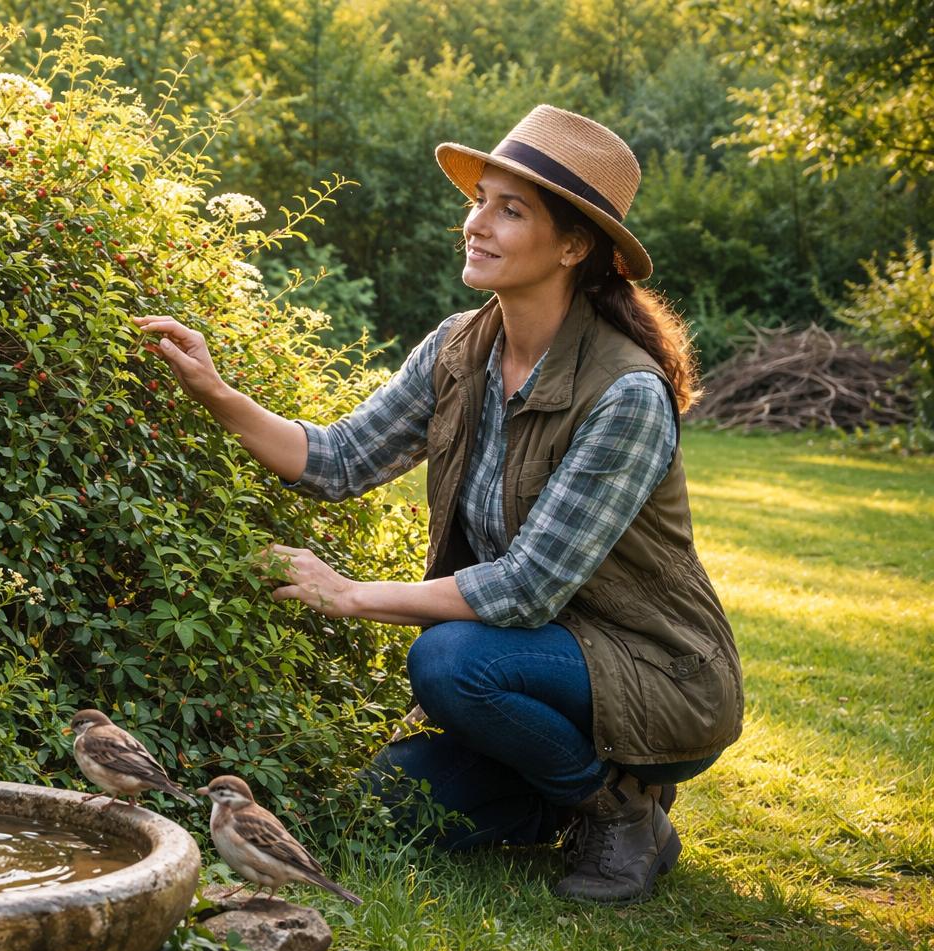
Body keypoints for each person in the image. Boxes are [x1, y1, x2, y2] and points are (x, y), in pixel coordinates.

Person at [133, 105, 743, 905]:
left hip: (653, 674)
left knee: (449, 660)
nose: (476, 223)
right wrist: (217, 394)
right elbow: (340, 459)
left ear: (572, 246)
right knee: (380, 817)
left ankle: (620, 809)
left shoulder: (624, 392)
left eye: (509, 210)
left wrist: (348, 595)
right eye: (479, 199)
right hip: (534, 664)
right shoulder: (461, 346)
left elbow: (524, 590)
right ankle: (553, 786)